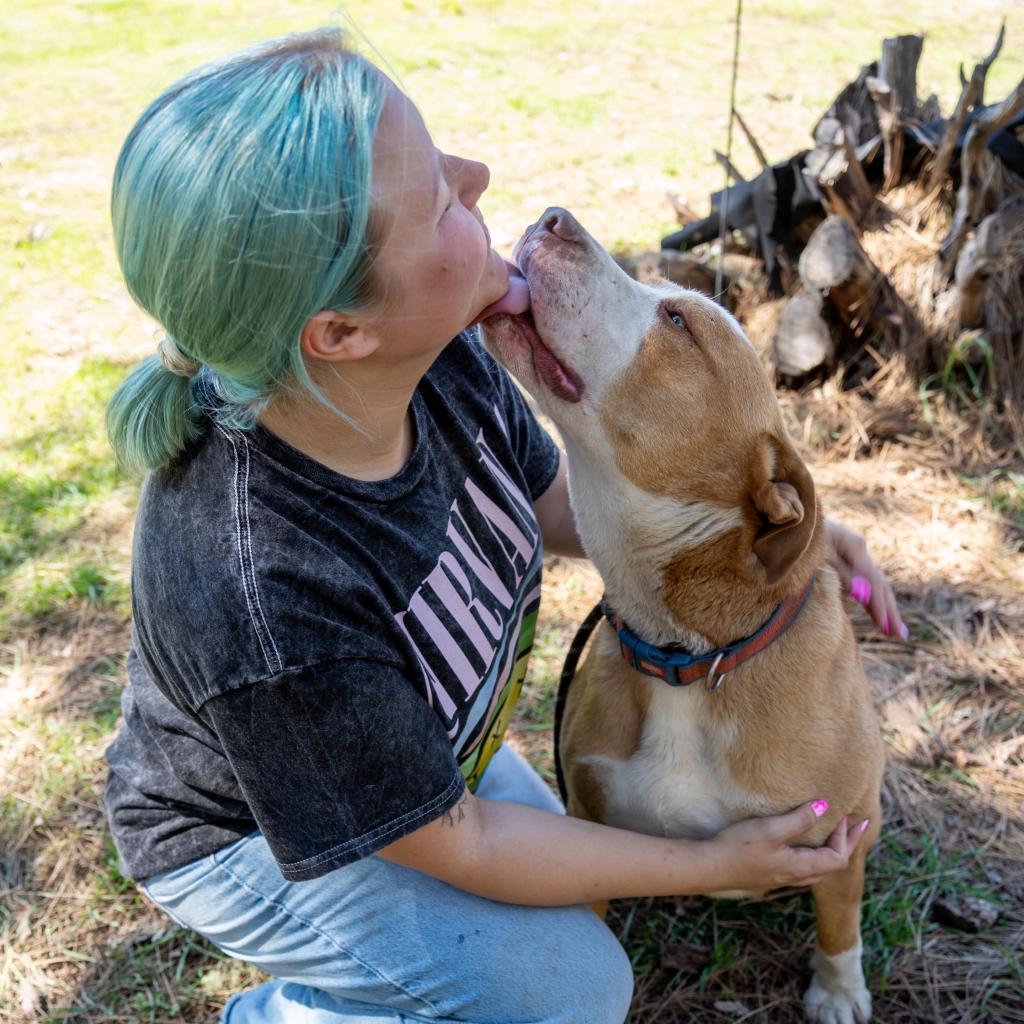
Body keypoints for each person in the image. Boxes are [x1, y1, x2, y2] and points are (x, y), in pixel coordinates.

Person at [101, 28, 906, 1024]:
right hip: (266, 838)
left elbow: (558, 502)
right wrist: (712, 865)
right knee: (573, 991)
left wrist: (767, 539)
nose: (477, 174)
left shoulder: (433, 359)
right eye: (438, 199)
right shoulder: (261, 581)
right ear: (341, 331)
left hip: (430, 761)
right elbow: (467, 843)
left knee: (561, 916)